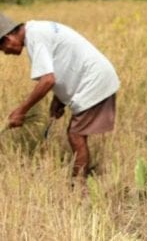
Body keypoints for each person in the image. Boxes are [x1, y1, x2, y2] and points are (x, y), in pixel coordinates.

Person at [0, 13, 120, 182]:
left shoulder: (35, 37)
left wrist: (20, 111)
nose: (5, 53)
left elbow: (48, 79)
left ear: (7, 39)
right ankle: (81, 178)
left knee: (75, 134)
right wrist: (60, 99)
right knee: (76, 133)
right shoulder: (36, 30)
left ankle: (78, 185)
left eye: (2, 49)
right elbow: (62, 62)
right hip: (96, 77)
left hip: (94, 81)